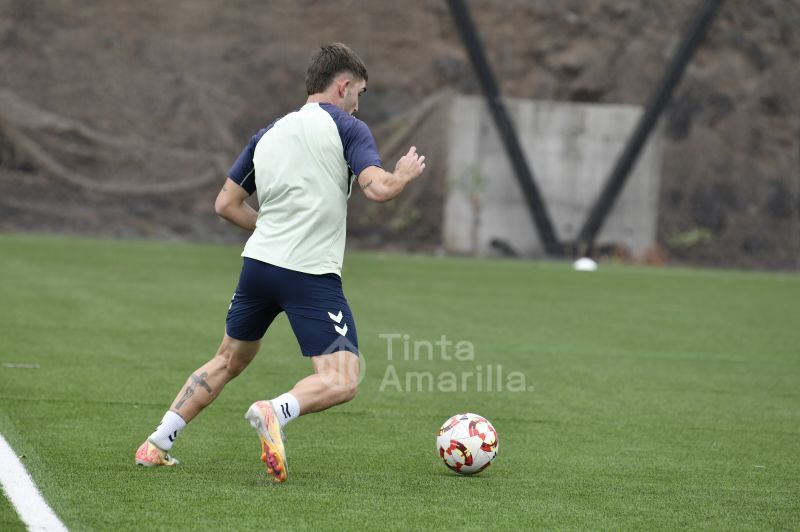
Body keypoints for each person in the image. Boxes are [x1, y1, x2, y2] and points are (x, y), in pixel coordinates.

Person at [134, 43, 426, 482]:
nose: (358, 103)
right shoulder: (348, 127)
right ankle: (275, 410)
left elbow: (225, 204)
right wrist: (402, 174)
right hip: (309, 273)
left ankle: (157, 442)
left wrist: (271, 231)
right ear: (343, 86)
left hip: (258, 268)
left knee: (228, 359)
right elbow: (378, 189)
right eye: (358, 93)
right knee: (342, 379)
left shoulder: (268, 133)